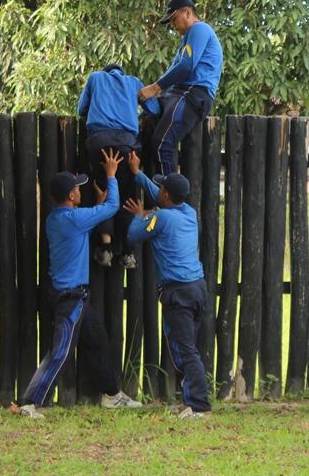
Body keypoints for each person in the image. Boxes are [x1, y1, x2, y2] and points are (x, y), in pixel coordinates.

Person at [16, 150, 142, 419]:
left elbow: (88, 218)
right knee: (60, 351)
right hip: (69, 298)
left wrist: (96, 204)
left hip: (77, 297)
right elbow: (110, 208)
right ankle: (29, 402)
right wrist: (111, 176)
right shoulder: (73, 220)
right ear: (71, 196)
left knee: (97, 341)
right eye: (77, 189)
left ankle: (111, 394)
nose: (80, 191)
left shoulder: (59, 219)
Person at [123, 152, 210, 419]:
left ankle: (199, 406)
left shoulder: (160, 219)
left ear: (166, 196)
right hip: (197, 288)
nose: (158, 189)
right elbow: (160, 198)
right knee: (185, 346)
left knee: (185, 348)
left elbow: (133, 234)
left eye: (161, 187)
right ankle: (189, 401)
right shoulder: (187, 212)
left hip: (178, 293)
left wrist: (140, 215)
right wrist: (138, 174)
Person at [77, 63, 160, 268]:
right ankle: (128, 253)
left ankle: (105, 248)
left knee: (103, 192)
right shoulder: (133, 83)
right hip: (127, 145)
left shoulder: (96, 78)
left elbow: (81, 110)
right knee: (127, 197)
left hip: (99, 144)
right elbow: (154, 109)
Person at [139, 0, 223, 174]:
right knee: (145, 132)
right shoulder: (185, 43)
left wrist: (154, 88)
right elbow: (175, 73)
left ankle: (172, 200)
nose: (173, 25)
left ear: (188, 12)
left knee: (162, 145)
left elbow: (186, 67)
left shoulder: (199, 29)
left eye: (174, 19)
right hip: (176, 94)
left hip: (193, 94)